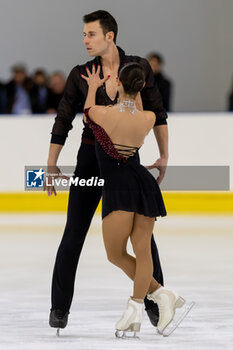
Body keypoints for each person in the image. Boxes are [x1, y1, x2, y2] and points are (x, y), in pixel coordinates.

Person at [45, 10, 168, 332]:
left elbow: (158, 111)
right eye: (84, 35)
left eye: (90, 34)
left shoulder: (137, 67)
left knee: (144, 240)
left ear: (109, 35)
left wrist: (165, 154)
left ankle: (155, 301)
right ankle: (59, 307)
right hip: (90, 160)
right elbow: (63, 120)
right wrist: (50, 163)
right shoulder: (81, 72)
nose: (85, 40)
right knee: (74, 232)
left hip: (126, 162)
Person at [81, 62, 185, 337]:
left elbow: (86, 114)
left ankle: (151, 299)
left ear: (120, 85)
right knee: (142, 249)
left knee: (115, 254)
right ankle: (150, 300)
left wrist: (94, 87)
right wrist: (125, 92)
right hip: (144, 184)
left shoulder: (103, 113)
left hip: (118, 186)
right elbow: (135, 108)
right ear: (140, 88)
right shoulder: (148, 118)